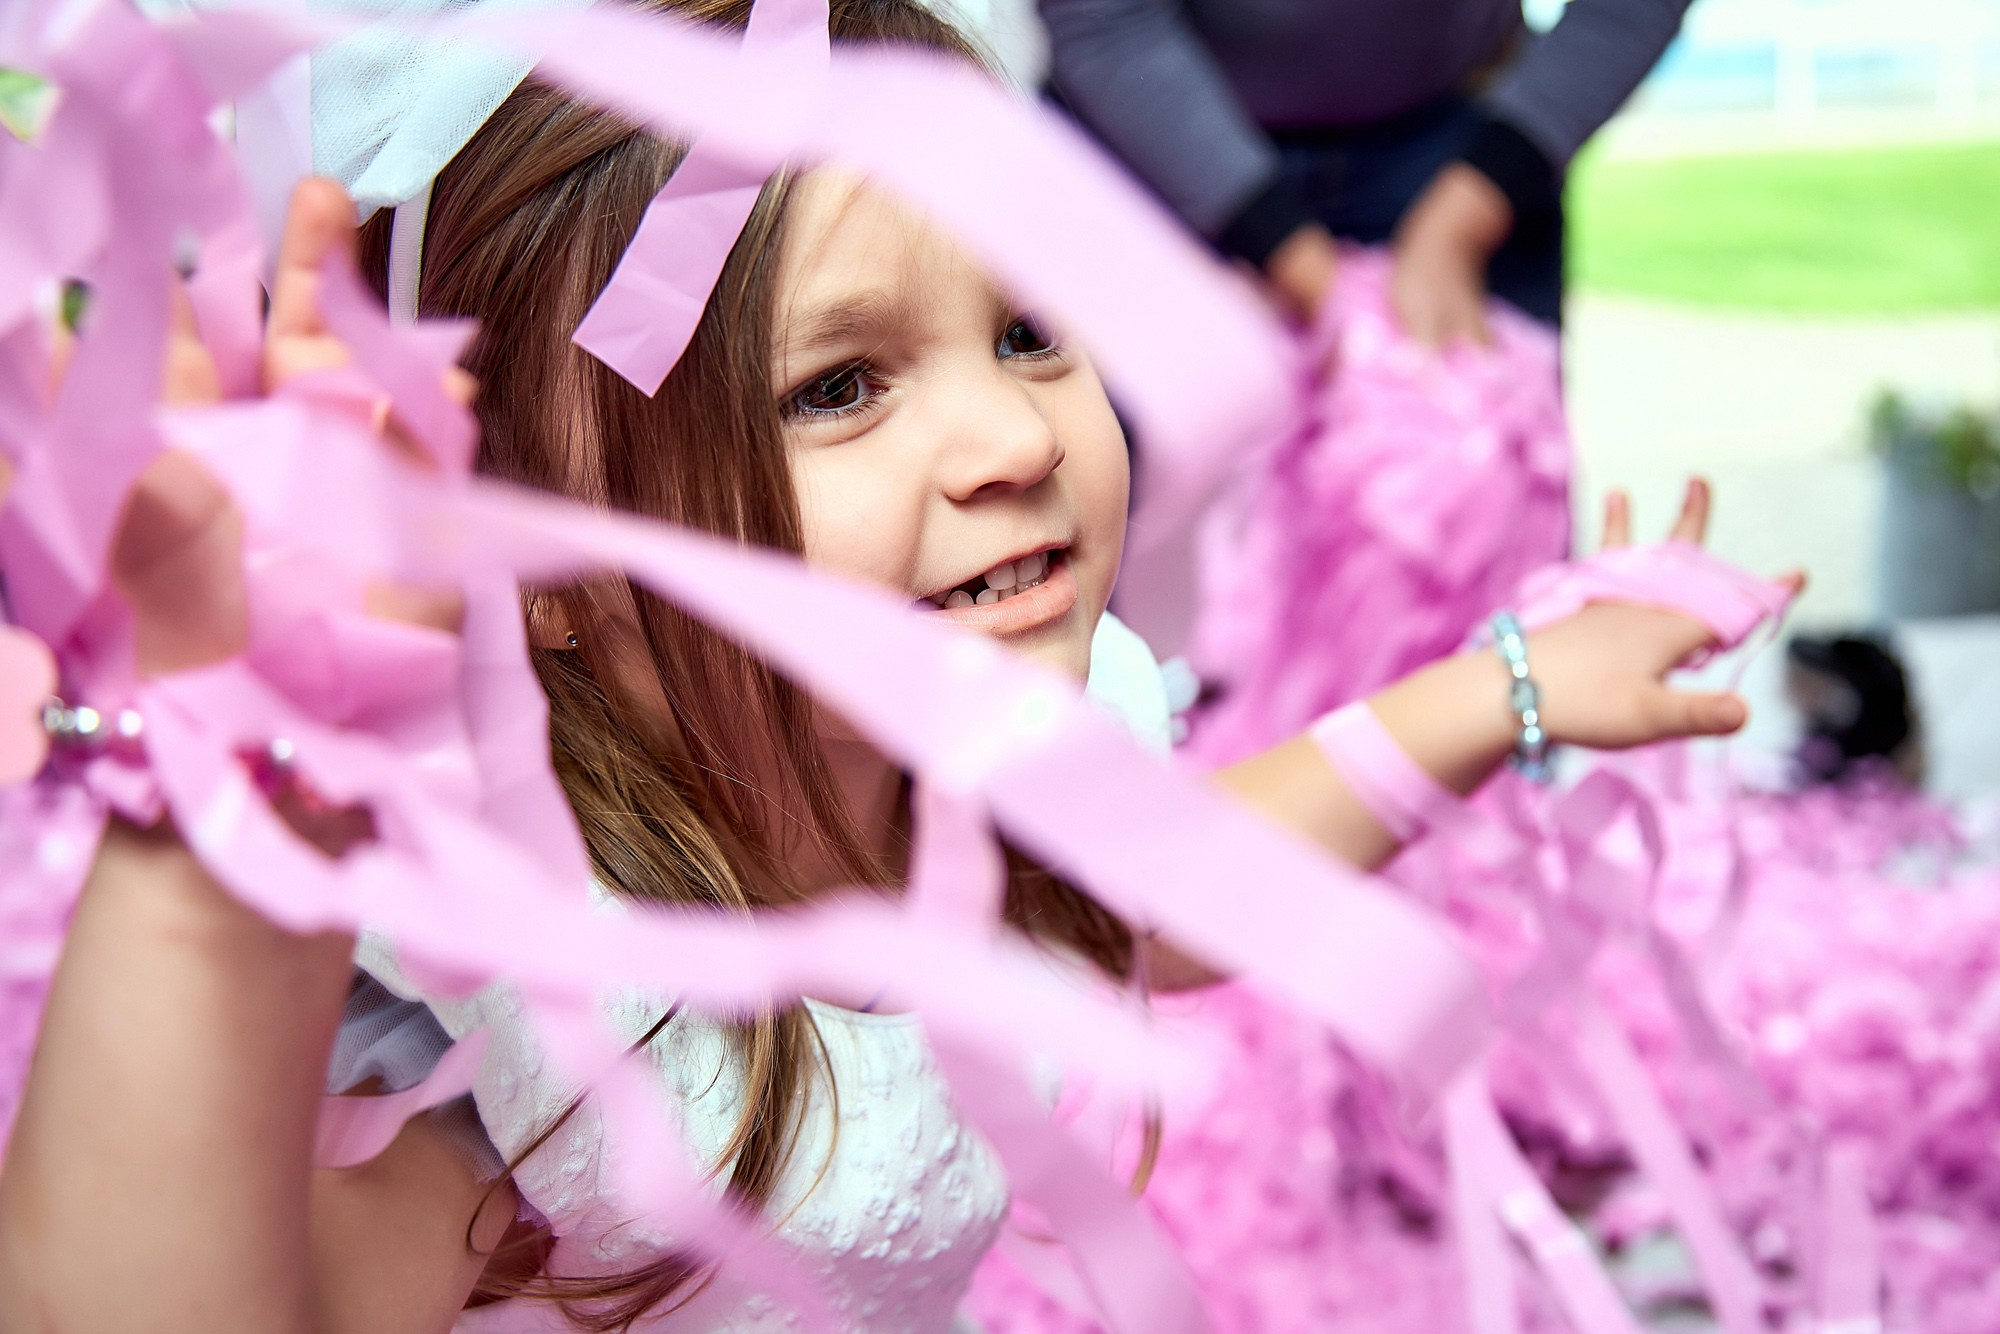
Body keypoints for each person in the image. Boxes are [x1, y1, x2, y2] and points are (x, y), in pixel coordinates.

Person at [0, 0, 1788, 1328]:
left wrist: (1506, 685)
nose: (1011, 433)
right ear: (533, 547)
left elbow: (1157, 892)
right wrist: (247, 790)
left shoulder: (996, 760)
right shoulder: (549, 1014)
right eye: (841, 384)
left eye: (1029, 327)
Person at [1037, 0, 1693, 345]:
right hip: (1151, 148)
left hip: (1460, 141)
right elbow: (1103, 21)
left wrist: (1465, 218)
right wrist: (1277, 244)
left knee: (1485, 518)